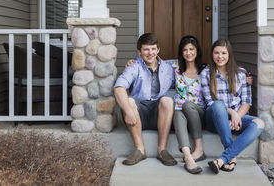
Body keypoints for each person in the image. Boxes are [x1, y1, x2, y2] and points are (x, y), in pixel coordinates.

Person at [200, 39, 264, 174]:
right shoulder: (206, 73)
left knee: (259, 123)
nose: (220, 56)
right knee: (218, 105)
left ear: (229, 54)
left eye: (223, 53)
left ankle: (223, 159)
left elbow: (247, 102)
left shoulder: (241, 73)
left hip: (236, 120)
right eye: (216, 53)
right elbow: (209, 102)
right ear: (212, 54)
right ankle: (232, 156)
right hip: (214, 119)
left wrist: (236, 117)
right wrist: (232, 113)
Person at [113, 33, 177, 166]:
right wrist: (128, 112)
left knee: (167, 101)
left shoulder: (169, 68)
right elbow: (119, 88)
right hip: (137, 116)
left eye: (153, 49)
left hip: (158, 115)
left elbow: (188, 73)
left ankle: (162, 150)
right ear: (139, 51)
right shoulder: (134, 67)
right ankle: (140, 150)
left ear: (158, 50)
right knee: (130, 101)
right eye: (146, 49)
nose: (150, 53)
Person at [171, 36, 206, 174]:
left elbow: (225, 71)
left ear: (197, 51)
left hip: (199, 113)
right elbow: (155, 62)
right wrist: (135, 61)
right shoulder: (175, 67)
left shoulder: (206, 69)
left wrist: (245, 75)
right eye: (185, 50)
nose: (188, 53)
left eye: (191, 49)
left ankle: (199, 148)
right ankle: (188, 157)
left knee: (186, 105)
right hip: (181, 112)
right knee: (178, 112)